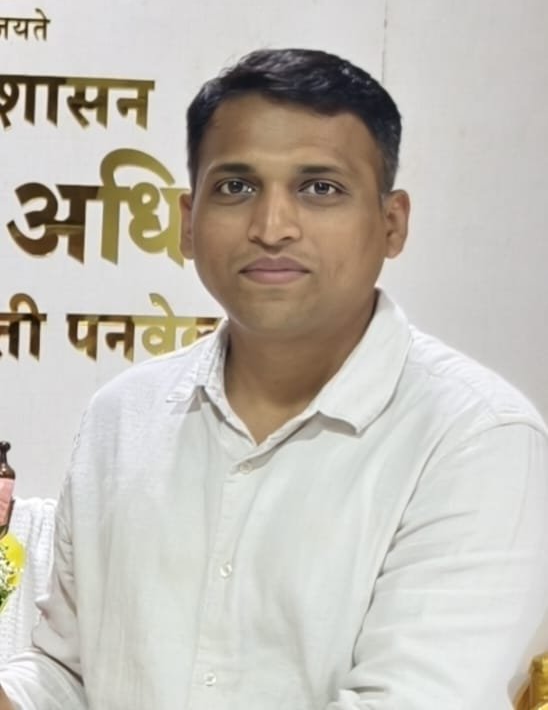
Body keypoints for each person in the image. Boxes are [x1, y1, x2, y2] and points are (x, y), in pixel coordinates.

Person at [0, 48, 547, 710]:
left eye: (321, 188)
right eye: (236, 187)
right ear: (188, 222)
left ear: (392, 223)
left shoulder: (477, 439)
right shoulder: (123, 416)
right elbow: (69, 674)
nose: (272, 227)